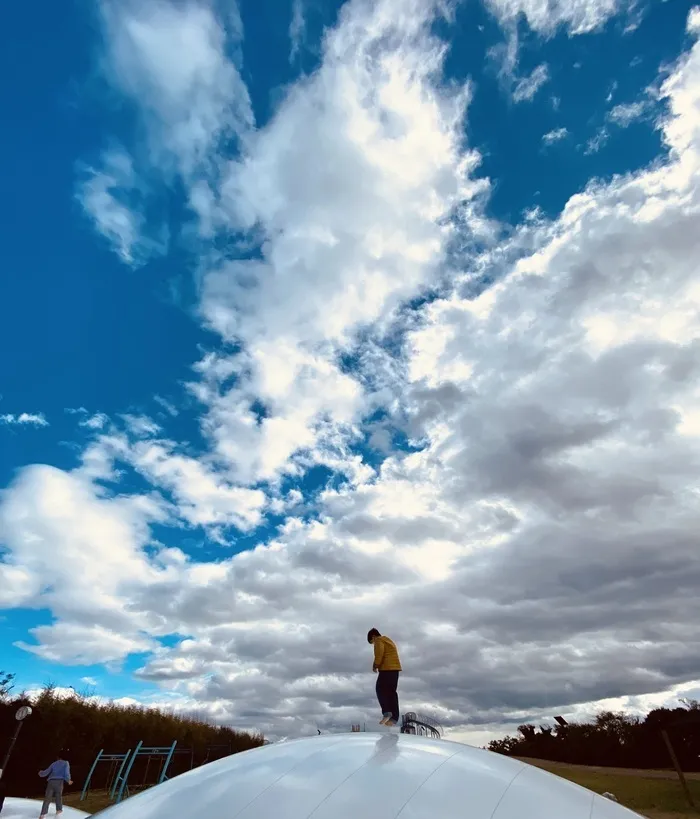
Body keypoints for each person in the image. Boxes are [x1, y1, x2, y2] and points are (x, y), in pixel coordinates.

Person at [367, 628, 401, 726]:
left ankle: (386, 713)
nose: (374, 644)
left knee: (380, 689)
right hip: (395, 669)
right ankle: (394, 718)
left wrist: (375, 665)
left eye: (372, 642)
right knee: (391, 693)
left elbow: (379, 654)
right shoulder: (388, 640)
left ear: (373, 637)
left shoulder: (379, 640)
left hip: (387, 669)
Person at [38, 750, 72, 818]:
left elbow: (46, 772)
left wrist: (40, 773)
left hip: (51, 782)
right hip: (59, 782)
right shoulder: (66, 763)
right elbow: (66, 773)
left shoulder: (54, 763)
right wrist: (68, 780)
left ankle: (42, 814)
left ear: (58, 757)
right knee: (58, 796)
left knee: (47, 798)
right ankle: (58, 810)